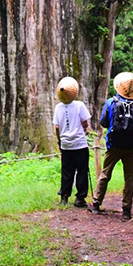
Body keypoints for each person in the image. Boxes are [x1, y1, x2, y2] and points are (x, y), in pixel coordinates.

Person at [90, 71, 133, 220]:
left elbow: (103, 121)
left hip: (113, 144)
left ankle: (96, 203)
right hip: (131, 147)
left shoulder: (111, 102)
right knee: (129, 178)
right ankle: (126, 210)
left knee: (105, 174)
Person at [54, 76, 92, 208]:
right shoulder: (79, 105)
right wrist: (85, 129)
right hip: (80, 144)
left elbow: (57, 127)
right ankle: (80, 198)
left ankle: (64, 196)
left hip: (66, 145)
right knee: (82, 171)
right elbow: (85, 122)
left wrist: (60, 141)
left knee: (67, 171)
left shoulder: (58, 107)